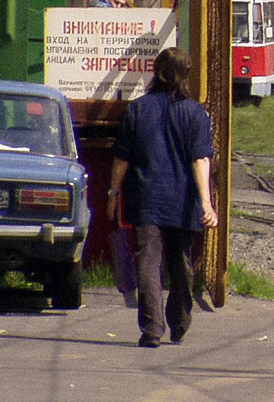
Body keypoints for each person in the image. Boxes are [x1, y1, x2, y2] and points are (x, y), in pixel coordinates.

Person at [107, 48, 217, 348]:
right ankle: (179, 322)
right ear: (186, 75)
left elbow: (122, 159)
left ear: (157, 72)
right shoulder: (196, 113)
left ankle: (152, 329)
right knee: (180, 261)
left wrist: (112, 194)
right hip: (182, 201)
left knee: (148, 262)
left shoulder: (138, 109)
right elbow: (200, 161)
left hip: (145, 198)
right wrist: (206, 204)